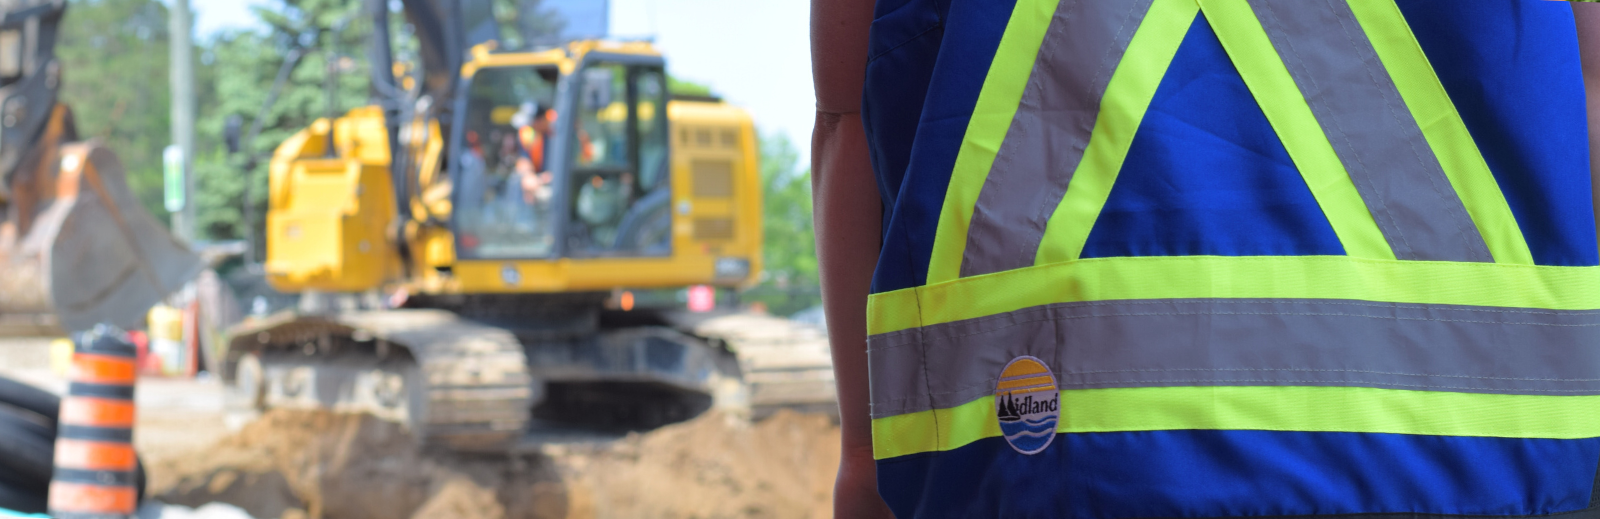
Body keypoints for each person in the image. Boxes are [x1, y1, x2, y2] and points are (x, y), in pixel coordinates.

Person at [814, 1, 1600, 518]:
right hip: (1478, 455)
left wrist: (860, 458)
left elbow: (851, 114)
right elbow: (1589, 81)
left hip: (1044, 458)